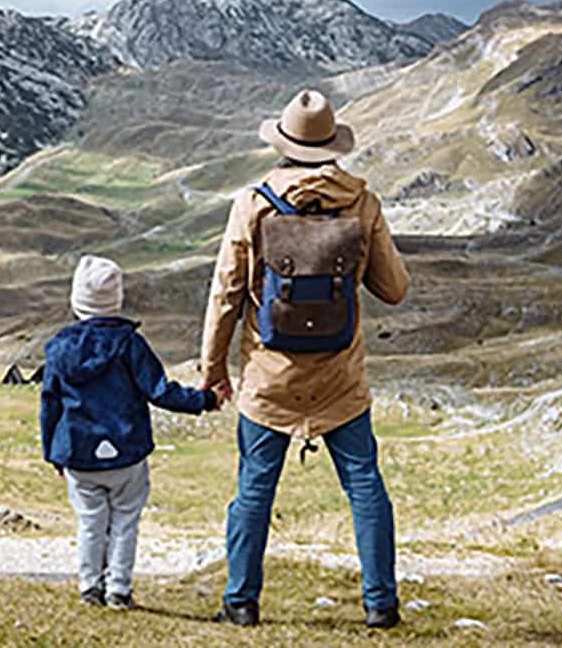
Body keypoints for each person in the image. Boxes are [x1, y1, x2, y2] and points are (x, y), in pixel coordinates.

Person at [200, 89, 410, 629]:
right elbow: (395, 289)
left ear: (284, 145)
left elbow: (226, 292)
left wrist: (213, 370)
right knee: (364, 484)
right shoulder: (363, 203)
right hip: (341, 378)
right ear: (332, 147)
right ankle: (381, 604)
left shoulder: (255, 203)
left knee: (253, 489)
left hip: (269, 378)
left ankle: (241, 602)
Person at [41, 255, 225, 610]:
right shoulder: (130, 344)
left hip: (78, 454)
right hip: (127, 454)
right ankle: (119, 590)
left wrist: (54, 453)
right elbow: (160, 391)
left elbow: (50, 405)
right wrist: (204, 400)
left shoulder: (58, 349)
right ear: (117, 300)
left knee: (91, 523)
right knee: (125, 521)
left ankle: (89, 587)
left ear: (76, 300)